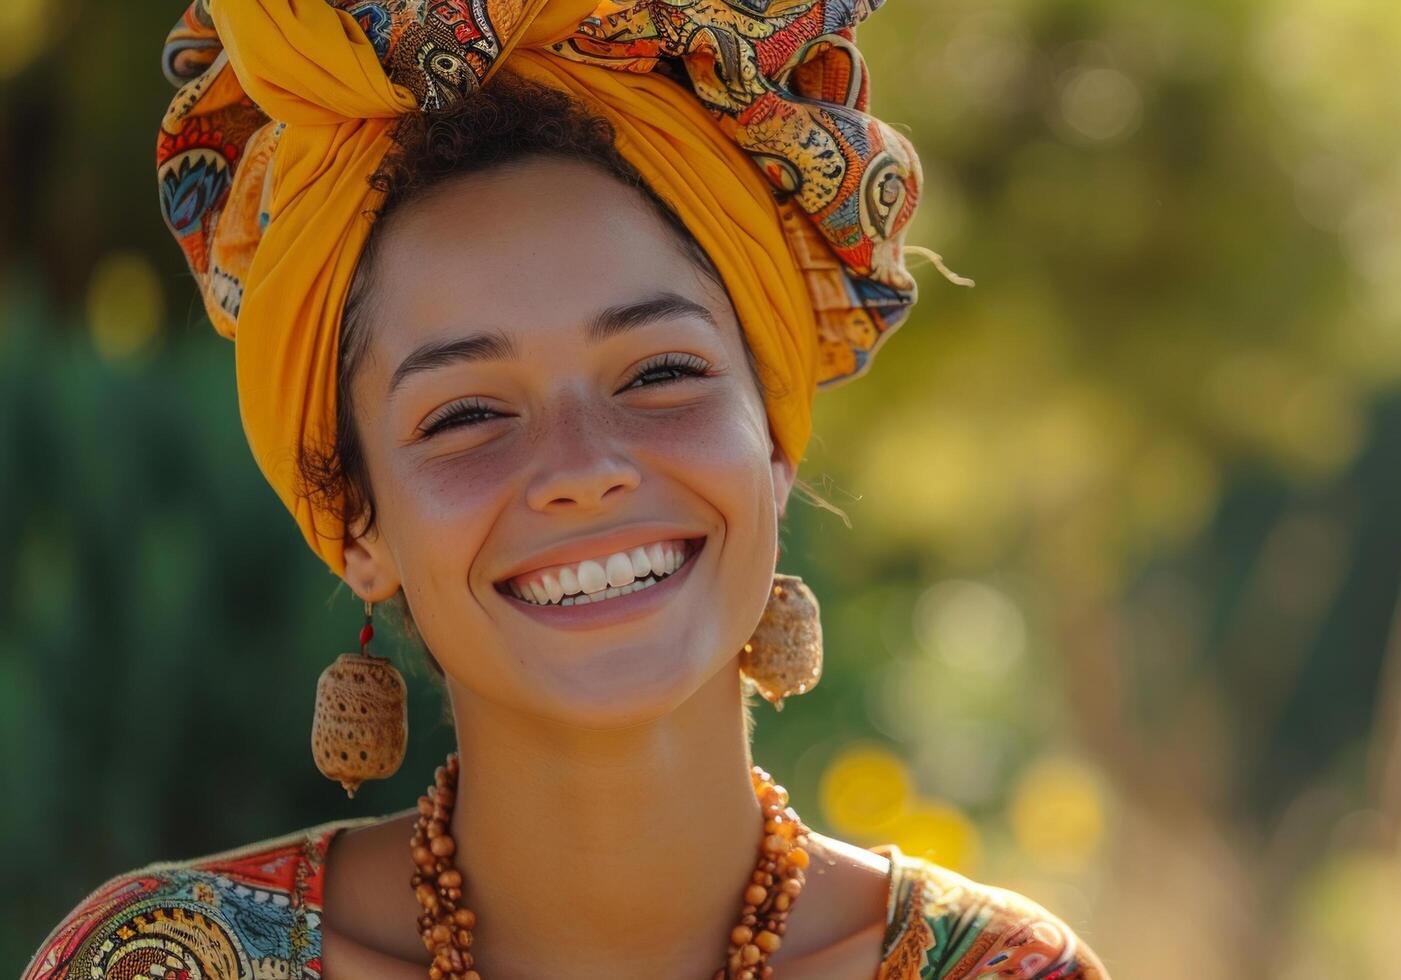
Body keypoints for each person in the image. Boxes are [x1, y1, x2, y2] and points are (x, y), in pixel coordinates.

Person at [22, 1, 1110, 978]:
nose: (585, 469)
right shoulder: (166, 964)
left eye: (659, 374)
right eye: (465, 415)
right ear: (359, 526)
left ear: (773, 443)